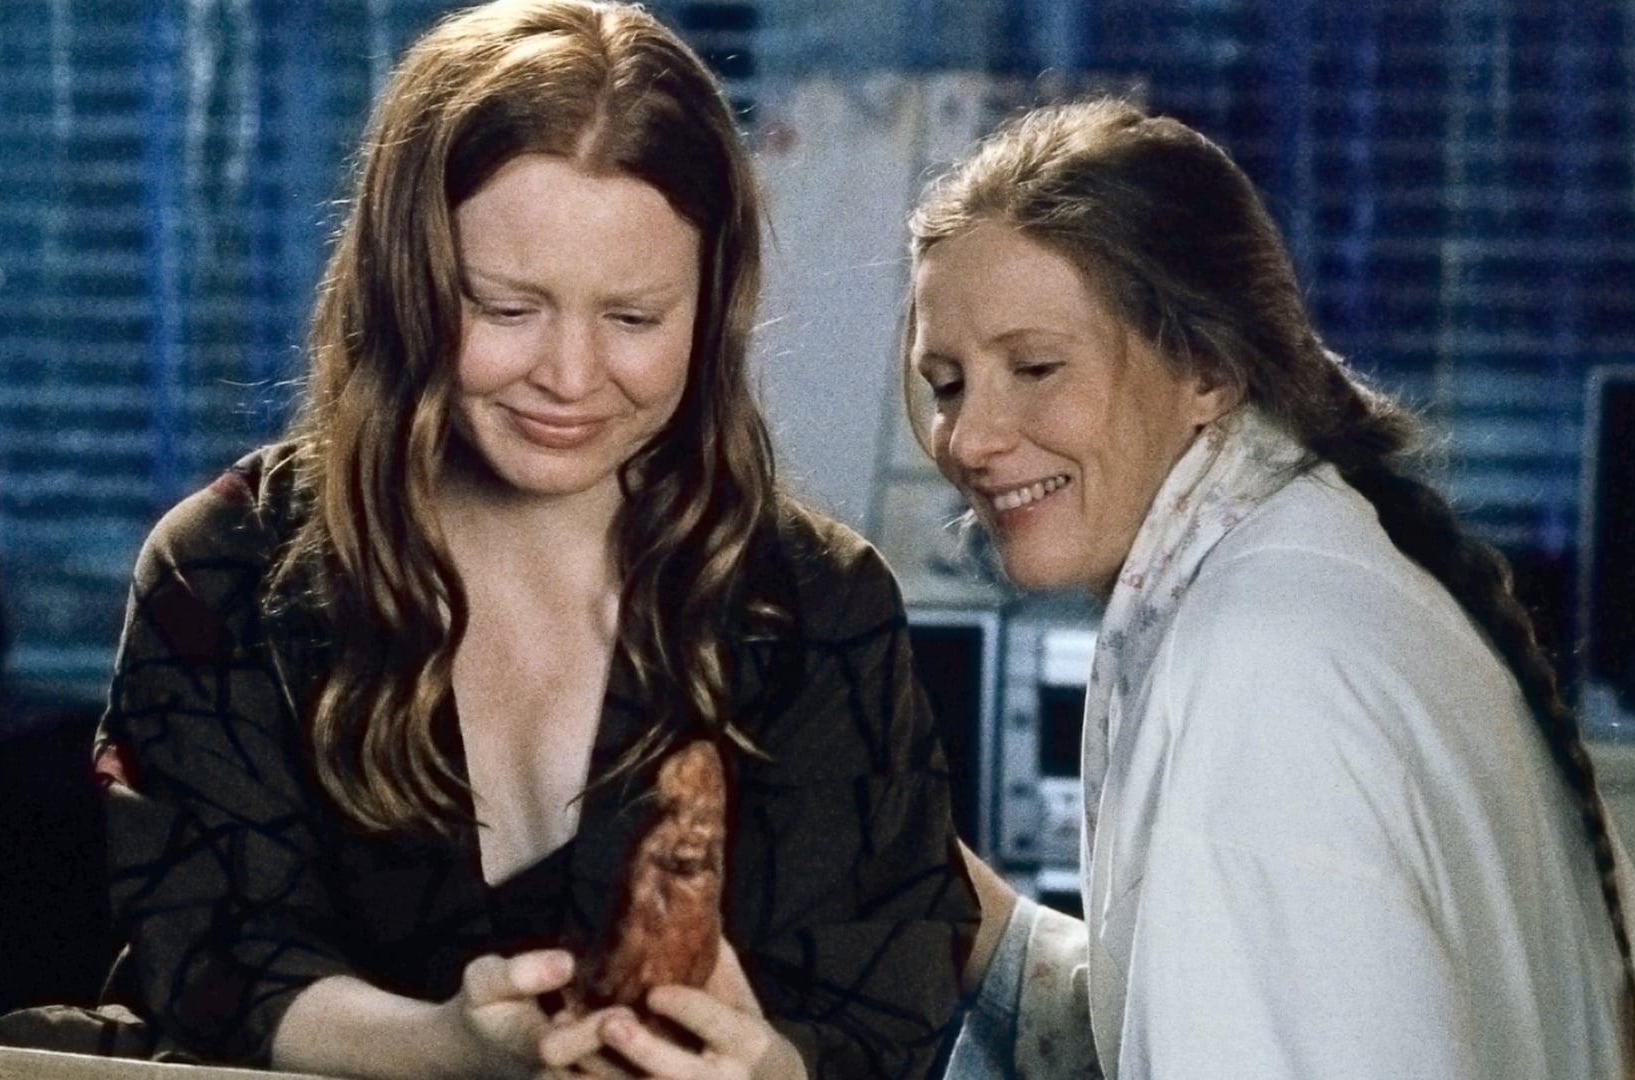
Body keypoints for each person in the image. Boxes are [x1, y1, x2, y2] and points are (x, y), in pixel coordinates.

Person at [91, 2, 975, 1077]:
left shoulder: (813, 602)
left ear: (712, 307)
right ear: (404, 281)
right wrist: (453, 1049)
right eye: (507, 310)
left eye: (634, 318)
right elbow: (211, 960)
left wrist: (770, 1069)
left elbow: (887, 1008)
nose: (569, 376)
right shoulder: (223, 569)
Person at [904, 98, 1635, 1078]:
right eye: (946, 384)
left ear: (1208, 369)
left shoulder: (1261, 671)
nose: (970, 439)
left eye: (1036, 367)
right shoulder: (1309, 574)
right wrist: (955, 909)